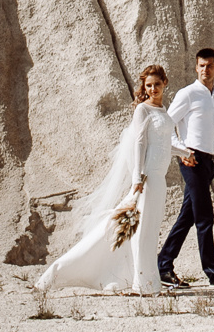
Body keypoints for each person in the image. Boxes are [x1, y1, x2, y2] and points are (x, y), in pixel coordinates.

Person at [34, 65, 175, 295]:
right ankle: (143, 284)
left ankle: (146, 281)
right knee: (139, 231)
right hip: (147, 178)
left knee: (150, 230)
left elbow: (164, 143)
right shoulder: (143, 110)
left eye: (157, 84)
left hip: (160, 179)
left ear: (165, 83)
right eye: (148, 85)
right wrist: (137, 177)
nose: (152, 89)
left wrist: (186, 154)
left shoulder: (163, 109)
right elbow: (139, 144)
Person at [157, 48, 214, 287]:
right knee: (205, 217)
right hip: (191, 161)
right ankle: (213, 272)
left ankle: (163, 265)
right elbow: (165, 126)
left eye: (210, 65)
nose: (206, 70)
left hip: (207, 162)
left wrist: (211, 159)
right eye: (201, 65)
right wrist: (182, 151)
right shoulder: (188, 94)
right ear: (196, 68)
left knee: (187, 217)